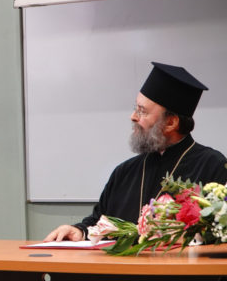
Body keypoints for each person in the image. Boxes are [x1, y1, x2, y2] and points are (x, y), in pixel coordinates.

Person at [45, 62, 227, 242]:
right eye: (136, 109)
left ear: (171, 123)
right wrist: (79, 231)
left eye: (142, 112)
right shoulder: (124, 172)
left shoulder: (213, 166)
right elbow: (98, 221)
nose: (133, 117)